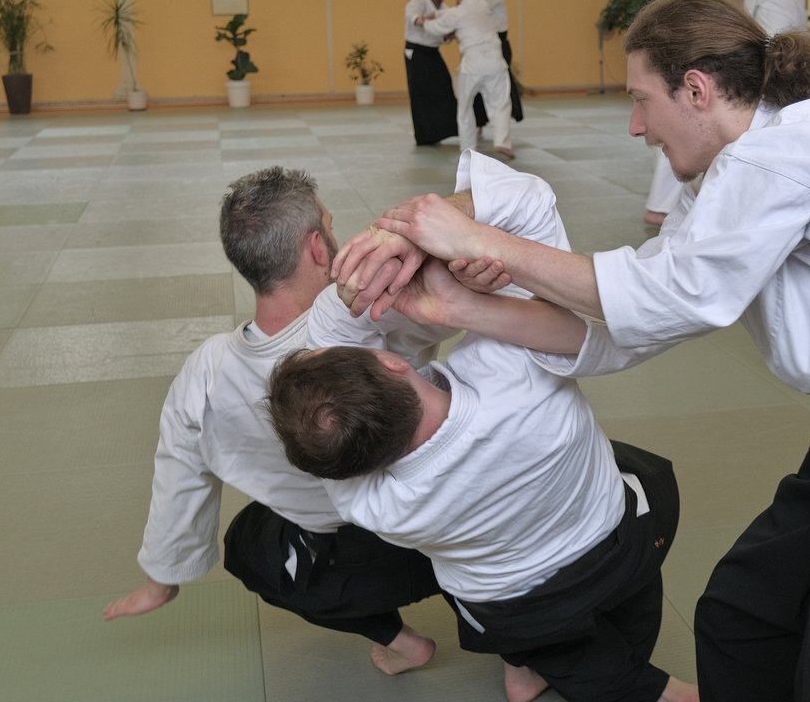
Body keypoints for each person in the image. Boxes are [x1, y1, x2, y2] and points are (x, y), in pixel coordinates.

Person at [335, 0, 810, 702]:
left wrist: (481, 240)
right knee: (747, 620)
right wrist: (464, 305)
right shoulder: (728, 175)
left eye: (640, 99)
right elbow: (628, 325)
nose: (633, 126)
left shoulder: (793, 151)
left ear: (695, 89)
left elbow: (667, 296)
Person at [271, 151, 697, 702]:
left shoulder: (366, 501)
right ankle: (651, 688)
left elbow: (329, 366)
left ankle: (527, 665)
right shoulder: (513, 363)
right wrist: (404, 240)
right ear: (393, 364)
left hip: (508, 609)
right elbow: (529, 200)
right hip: (614, 548)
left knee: (519, 614)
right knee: (638, 488)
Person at [102, 167, 446, 678]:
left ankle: (400, 641)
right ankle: (516, 647)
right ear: (317, 247)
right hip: (449, 529)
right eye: (329, 223)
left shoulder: (207, 370)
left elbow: (179, 471)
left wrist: (162, 577)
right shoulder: (378, 309)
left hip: (354, 559)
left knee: (248, 545)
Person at [644, 0, 724, 227]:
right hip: (689, 79)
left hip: (663, 74)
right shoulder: (709, 1)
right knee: (680, 140)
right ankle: (659, 208)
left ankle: (663, 206)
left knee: (669, 141)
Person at [418, 0, 514, 158]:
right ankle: (502, 142)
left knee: (465, 107)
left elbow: (438, 27)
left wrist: (423, 22)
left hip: (472, 64)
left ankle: (468, 148)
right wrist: (438, 13)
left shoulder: (457, 12)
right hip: (495, 61)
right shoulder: (484, 5)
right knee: (500, 104)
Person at [404, 0, 459, 145]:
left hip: (432, 52)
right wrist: (425, 19)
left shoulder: (444, 9)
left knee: (444, 87)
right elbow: (412, 17)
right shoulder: (419, 1)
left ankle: (440, 131)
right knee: (420, 93)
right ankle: (424, 136)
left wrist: (449, 34)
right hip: (416, 51)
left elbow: (444, 36)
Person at [471, 0, 524, 123]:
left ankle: (510, 113)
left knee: (503, 80)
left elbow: (477, 8)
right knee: (476, 80)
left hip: (498, 41)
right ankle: (480, 120)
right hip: (480, 42)